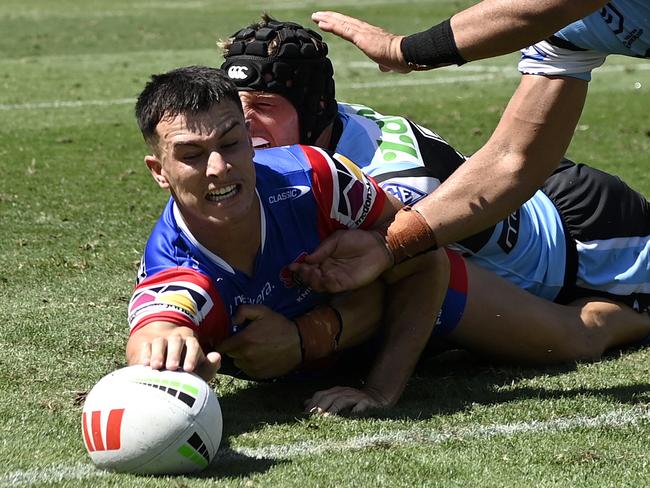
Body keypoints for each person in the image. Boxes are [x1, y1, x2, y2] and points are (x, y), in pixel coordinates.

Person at [125, 66, 650, 414]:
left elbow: (423, 260)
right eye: (191, 155)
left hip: (428, 290)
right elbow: (159, 323)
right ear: (158, 171)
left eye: (233, 143)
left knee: (575, 340)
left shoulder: (316, 177)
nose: (220, 168)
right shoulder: (175, 263)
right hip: (365, 319)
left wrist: (377, 387)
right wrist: (162, 354)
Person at [220, 17, 650, 308]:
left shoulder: (392, 184)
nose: (242, 120)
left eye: (262, 104)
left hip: (591, 246)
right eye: (234, 102)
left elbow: (389, 295)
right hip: (537, 190)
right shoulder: (321, 124)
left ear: (315, 108)